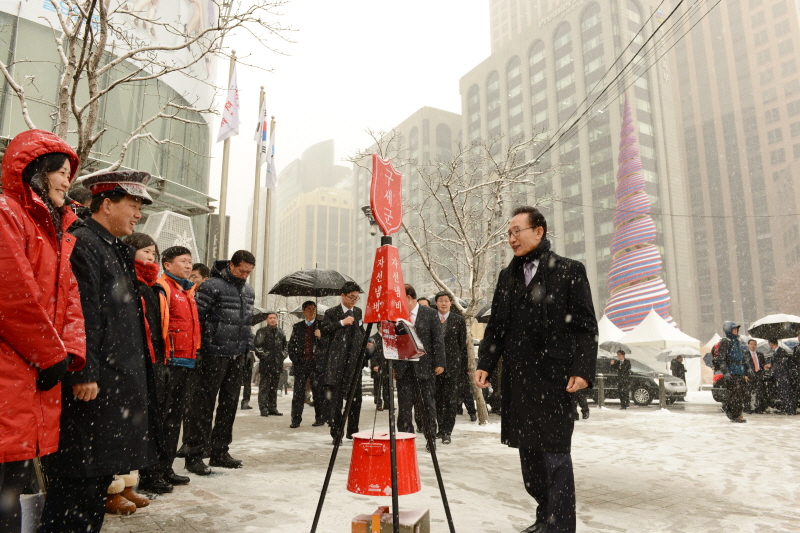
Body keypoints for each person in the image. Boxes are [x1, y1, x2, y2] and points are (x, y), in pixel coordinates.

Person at [40, 171, 161, 533]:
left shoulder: (110, 246)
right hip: (92, 387)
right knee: (76, 486)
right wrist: (84, 372)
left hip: (111, 385)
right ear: (106, 205)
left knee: (93, 487)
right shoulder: (84, 243)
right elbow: (83, 314)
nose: (138, 214)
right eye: (133, 205)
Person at [475, 206, 597, 533]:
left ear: (538, 231)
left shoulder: (570, 271)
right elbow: (497, 326)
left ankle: (560, 527)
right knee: (530, 461)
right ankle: (545, 517)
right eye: (509, 233)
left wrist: (583, 369)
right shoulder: (507, 277)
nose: (511, 238)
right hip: (519, 380)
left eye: (517, 230)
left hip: (556, 380)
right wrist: (485, 363)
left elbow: (585, 327)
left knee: (555, 457)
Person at [0, 130, 87, 532]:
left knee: (14, 487)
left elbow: (69, 299)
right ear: (37, 171)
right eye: (62, 171)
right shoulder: (7, 214)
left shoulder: (55, 232)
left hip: (33, 376)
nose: (67, 180)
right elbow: (13, 296)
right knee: (5, 490)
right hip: (11, 374)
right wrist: (51, 354)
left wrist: (69, 353)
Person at [182, 251, 255, 475]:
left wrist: (248, 348)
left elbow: (246, 322)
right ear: (230, 265)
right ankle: (194, 454)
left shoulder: (248, 291)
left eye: (249, 272)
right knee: (203, 405)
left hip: (236, 355)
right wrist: (200, 350)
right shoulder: (211, 285)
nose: (244, 275)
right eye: (241, 270)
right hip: (213, 353)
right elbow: (197, 319)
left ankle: (220, 451)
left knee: (229, 405)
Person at [144, 245, 201, 491]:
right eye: (183, 261)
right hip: (167, 363)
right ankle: (151, 473)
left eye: (190, 262)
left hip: (185, 363)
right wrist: (161, 361)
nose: (189, 265)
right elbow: (158, 328)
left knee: (174, 420)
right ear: (167, 265)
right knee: (159, 419)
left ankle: (165, 468)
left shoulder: (187, 291)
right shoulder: (162, 287)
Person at [120, 233, 170, 503]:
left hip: (151, 362)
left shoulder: (153, 287)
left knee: (142, 424)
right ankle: (114, 486)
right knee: (123, 425)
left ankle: (129, 484)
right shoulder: (127, 281)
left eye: (154, 253)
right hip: (128, 361)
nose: (152, 256)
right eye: (146, 251)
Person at [395, 284, 446, 450]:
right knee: (404, 410)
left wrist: (440, 363)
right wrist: (394, 366)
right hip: (404, 369)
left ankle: (430, 439)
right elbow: (392, 342)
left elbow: (437, 340)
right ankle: (404, 441)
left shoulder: (429, 314)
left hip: (425, 368)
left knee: (427, 407)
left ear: (409, 298)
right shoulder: (397, 315)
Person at [320, 281, 366, 441]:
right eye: (351, 297)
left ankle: (353, 431)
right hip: (337, 362)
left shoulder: (358, 312)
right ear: (343, 296)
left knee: (355, 399)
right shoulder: (332, 313)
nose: (354, 301)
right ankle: (337, 432)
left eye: (357, 298)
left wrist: (366, 341)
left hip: (354, 363)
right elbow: (324, 330)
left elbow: (360, 330)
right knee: (335, 400)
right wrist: (341, 323)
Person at [434, 291, 467, 445]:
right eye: (441, 301)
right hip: (435, 368)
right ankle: (440, 429)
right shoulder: (432, 319)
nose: (444, 303)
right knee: (438, 400)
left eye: (446, 301)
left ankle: (448, 431)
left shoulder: (458, 320)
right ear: (436, 303)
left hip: (453, 367)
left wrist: (463, 367)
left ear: (451, 303)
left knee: (451, 401)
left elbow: (463, 345)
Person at [288, 301, 326, 427]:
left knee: (318, 392)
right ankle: (296, 419)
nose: (312, 311)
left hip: (316, 364)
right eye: (309, 309)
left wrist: (320, 337)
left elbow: (327, 345)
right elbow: (291, 345)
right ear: (304, 311)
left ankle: (320, 418)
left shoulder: (321, 325)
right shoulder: (298, 327)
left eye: (314, 309)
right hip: (301, 364)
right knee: (298, 393)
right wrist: (296, 360)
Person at [717, 321, 752, 423]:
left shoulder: (738, 341)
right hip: (731, 372)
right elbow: (721, 359)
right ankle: (734, 413)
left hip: (740, 371)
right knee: (735, 394)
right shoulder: (726, 341)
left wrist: (748, 368)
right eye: (734, 329)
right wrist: (726, 372)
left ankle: (736, 412)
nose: (736, 331)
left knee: (741, 394)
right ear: (729, 330)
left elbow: (744, 358)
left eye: (737, 329)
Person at [254, 312, 287, 417]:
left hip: (277, 363)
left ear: (277, 319)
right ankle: (263, 408)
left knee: (274, 386)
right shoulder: (262, 332)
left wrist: (282, 355)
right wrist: (264, 356)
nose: (272, 320)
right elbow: (257, 347)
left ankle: (272, 407)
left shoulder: (281, 332)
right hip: (266, 364)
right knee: (264, 386)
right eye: (270, 318)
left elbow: (286, 347)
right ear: (267, 320)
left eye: (274, 318)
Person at [771, 339, 796, 415]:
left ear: (772, 344)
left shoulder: (781, 351)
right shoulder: (776, 352)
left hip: (783, 375)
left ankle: (789, 409)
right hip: (780, 375)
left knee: (786, 392)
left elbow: (781, 363)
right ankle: (786, 408)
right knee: (783, 392)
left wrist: (772, 366)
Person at [744, 339, 768, 413]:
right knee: (748, 393)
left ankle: (759, 408)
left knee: (760, 392)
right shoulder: (745, 354)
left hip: (759, 375)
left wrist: (765, 367)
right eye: (751, 344)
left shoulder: (760, 354)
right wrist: (744, 375)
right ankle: (747, 408)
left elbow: (763, 364)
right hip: (749, 375)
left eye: (754, 344)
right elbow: (743, 366)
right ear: (748, 345)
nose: (753, 346)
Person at [368, 334, 391, 411]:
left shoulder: (387, 337)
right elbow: (372, 353)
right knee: (377, 386)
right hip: (378, 365)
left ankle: (387, 403)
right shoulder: (374, 338)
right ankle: (378, 404)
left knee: (387, 386)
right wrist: (374, 364)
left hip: (386, 365)